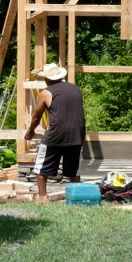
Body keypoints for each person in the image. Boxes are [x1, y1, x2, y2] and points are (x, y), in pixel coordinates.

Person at [24, 62, 86, 203]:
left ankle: (42, 198)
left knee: (42, 167)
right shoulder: (76, 89)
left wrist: (30, 131)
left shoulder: (46, 92)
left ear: (47, 79)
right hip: (77, 134)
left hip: (56, 134)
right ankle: (76, 198)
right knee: (74, 170)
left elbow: (36, 116)